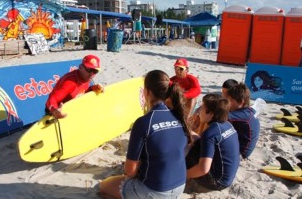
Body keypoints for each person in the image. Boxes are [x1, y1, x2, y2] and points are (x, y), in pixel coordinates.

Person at [99, 70, 189, 199]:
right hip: (180, 186)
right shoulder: (178, 115)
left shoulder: (144, 122)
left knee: (103, 186)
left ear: (146, 92)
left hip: (155, 191)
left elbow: (129, 171)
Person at [185, 93, 240, 191]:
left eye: (202, 108)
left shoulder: (210, 133)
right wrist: (187, 130)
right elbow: (202, 141)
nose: (198, 111)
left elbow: (203, 169)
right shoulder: (226, 125)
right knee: (196, 144)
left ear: (211, 114)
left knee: (185, 152)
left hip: (218, 182)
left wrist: (184, 174)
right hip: (227, 177)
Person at [45, 54, 103, 119]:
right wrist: (55, 111)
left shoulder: (86, 77)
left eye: (95, 71)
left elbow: (79, 92)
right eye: (89, 70)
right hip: (57, 113)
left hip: (72, 110)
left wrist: (92, 88)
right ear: (81, 68)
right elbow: (51, 100)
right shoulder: (69, 82)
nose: (92, 74)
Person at [226, 83, 260, 159]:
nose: (228, 104)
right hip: (240, 147)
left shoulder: (244, 115)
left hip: (241, 153)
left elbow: (219, 116)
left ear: (241, 102)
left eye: (230, 100)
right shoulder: (247, 111)